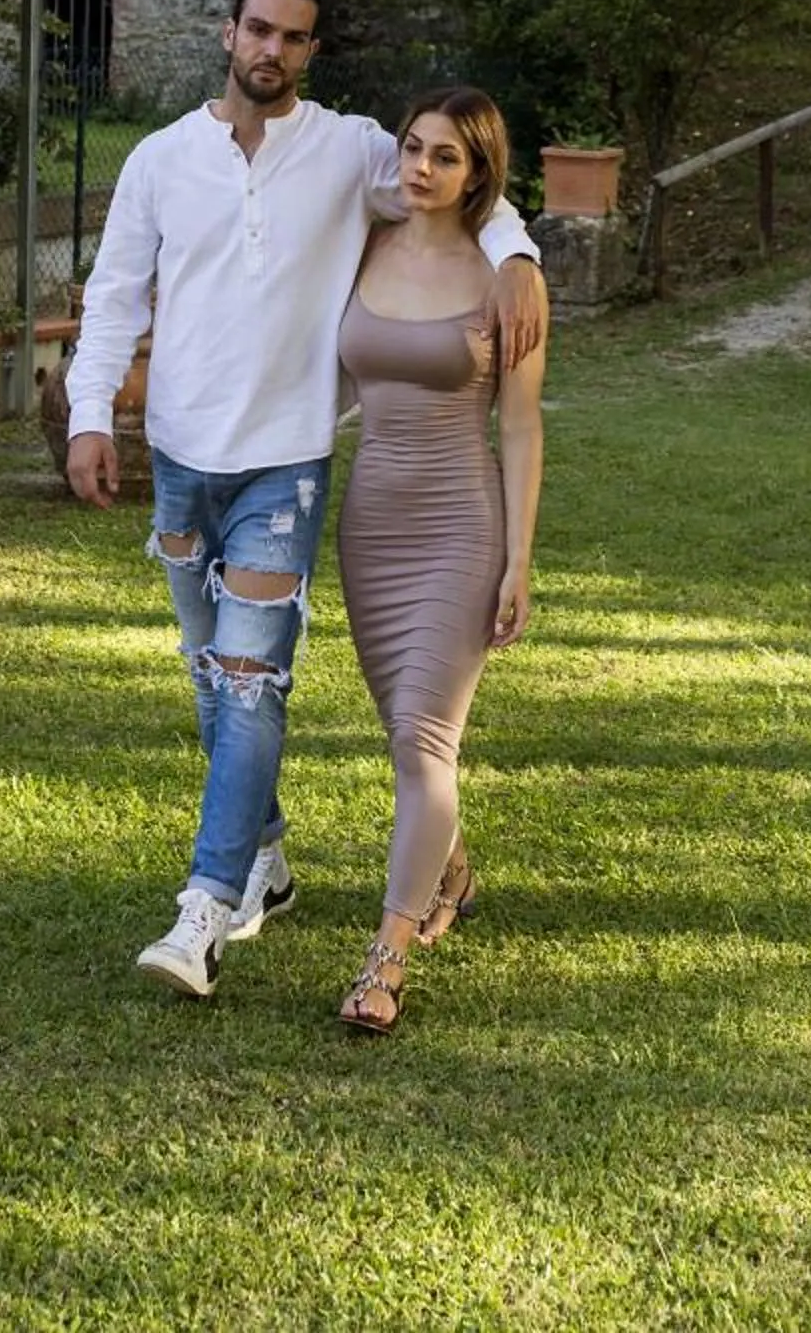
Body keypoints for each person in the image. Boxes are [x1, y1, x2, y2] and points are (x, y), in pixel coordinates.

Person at [64, 0, 547, 1001]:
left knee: (247, 687)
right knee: (212, 682)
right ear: (227, 29)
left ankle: (206, 905)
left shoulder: (347, 149)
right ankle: (270, 862)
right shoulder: (158, 161)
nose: (270, 50)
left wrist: (518, 253)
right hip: (181, 465)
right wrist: (90, 415)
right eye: (256, 29)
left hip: (284, 467)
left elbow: (461, 181)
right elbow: (113, 299)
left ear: (311, 52)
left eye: (292, 37)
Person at [333, 84, 545, 1035]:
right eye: (413, 148)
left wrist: (518, 562)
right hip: (370, 525)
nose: (420, 167)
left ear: (479, 176)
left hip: (462, 526)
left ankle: (385, 963)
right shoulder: (361, 243)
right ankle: (450, 872)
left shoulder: (507, 279)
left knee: (426, 743)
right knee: (404, 739)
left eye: (445, 157)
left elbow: (523, 425)